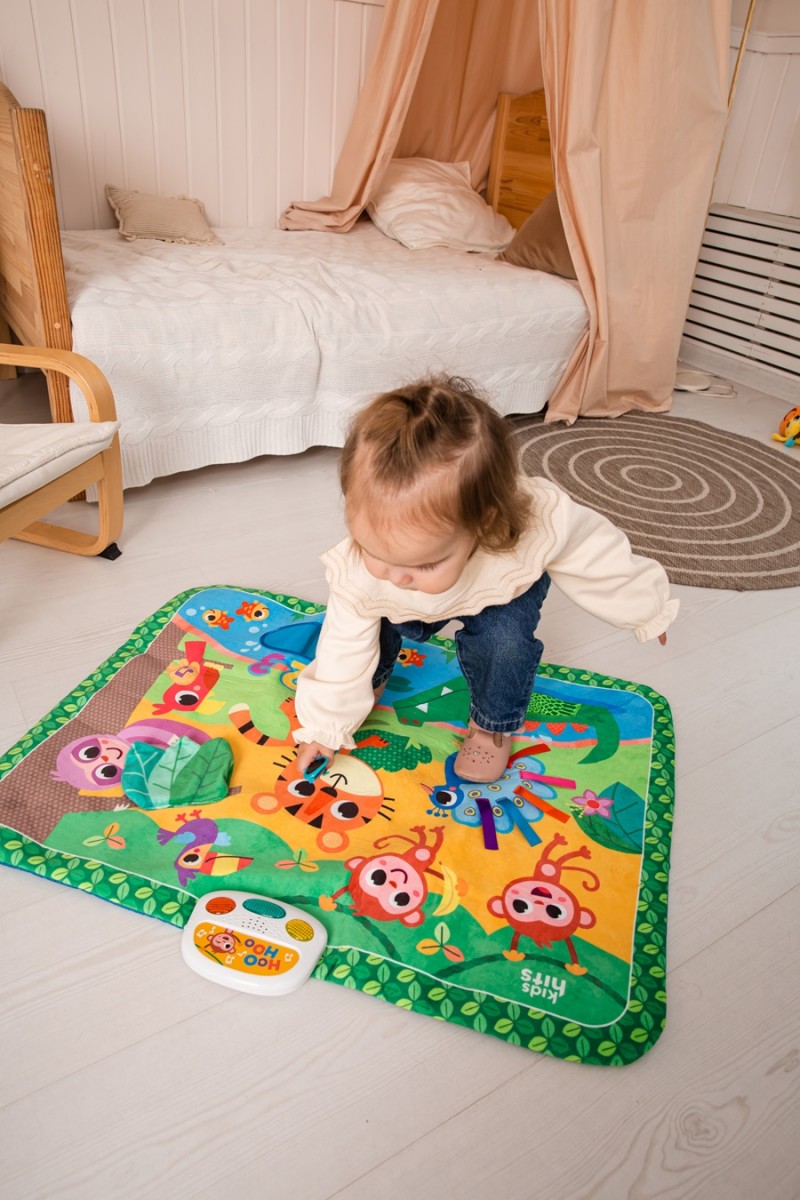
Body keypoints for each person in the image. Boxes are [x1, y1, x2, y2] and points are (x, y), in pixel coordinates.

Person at [293, 377, 678, 784]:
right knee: (373, 622)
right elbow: (342, 646)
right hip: (401, 610)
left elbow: (592, 550)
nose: (399, 577)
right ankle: (373, 677)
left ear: (483, 523)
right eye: (374, 551)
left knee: (504, 644)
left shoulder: (537, 520)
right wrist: (325, 728)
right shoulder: (366, 574)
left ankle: (492, 724)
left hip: (501, 588)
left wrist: (644, 605)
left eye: (425, 564)